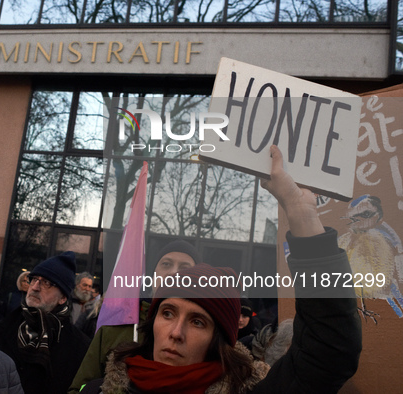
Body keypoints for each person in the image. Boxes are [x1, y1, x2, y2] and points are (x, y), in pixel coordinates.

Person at [79, 145, 362, 393]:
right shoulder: (99, 390)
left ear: (218, 341)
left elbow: (330, 351)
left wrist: (301, 214)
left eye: (198, 321)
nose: (176, 332)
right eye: (167, 313)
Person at [68, 239, 200, 393]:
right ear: (153, 275)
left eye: (184, 268)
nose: (173, 273)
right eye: (166, 264)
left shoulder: (203, 336)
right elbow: (79, 388)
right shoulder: (114, 327)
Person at [0, 251, 91, 394]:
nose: (35, 287)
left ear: (63, 298)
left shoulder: (80, 347)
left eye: (47, 283)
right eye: (34, 279)